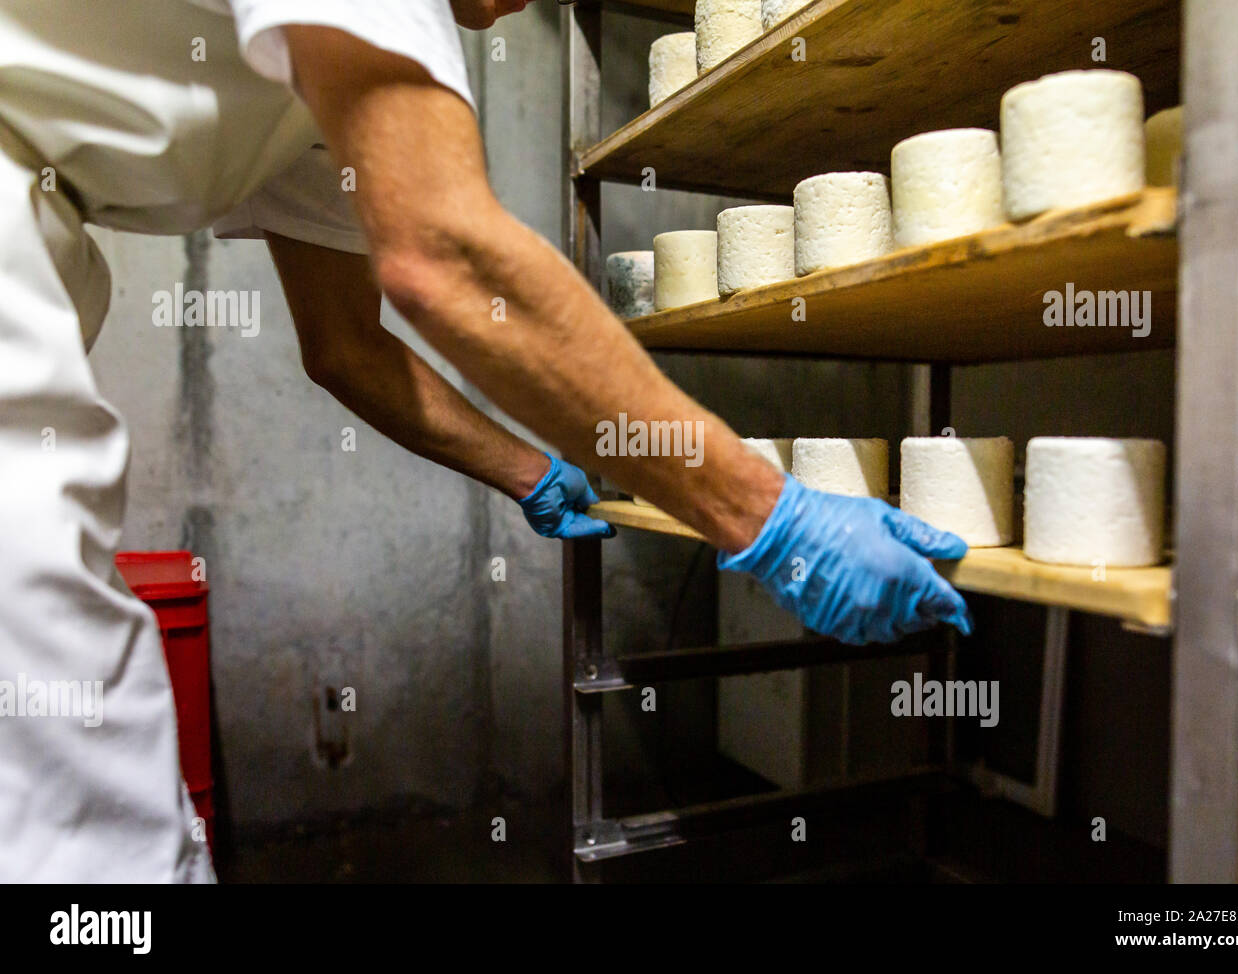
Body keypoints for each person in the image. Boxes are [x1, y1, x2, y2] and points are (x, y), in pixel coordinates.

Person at [0, 0, 971, 881]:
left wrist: (532, 471)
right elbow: (446, 257)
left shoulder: (330, 85)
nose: (518, 8)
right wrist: (773, 517)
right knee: (78, 807)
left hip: (38, 238)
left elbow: (347, 344)